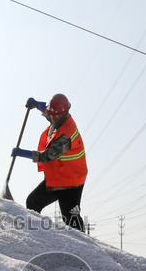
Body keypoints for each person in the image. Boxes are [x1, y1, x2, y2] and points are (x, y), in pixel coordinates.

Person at [11, 94, 88, 232]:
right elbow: (49, 114)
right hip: (58, 178)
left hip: (72, 183)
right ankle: (37, 237)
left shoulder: (67, 136)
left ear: (65, 113)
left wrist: (22, 153)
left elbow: (47, 156)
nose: (52, 118)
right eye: (51, 115)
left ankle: (87, 250)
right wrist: (37, 105)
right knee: (33, 202)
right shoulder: (58, 118)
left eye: (55, 116)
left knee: (71, 220)